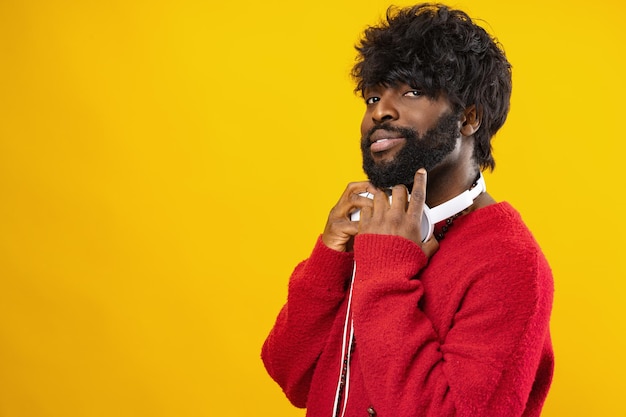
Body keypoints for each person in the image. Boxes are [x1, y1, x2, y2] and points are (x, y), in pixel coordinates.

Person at [261, 3, 554, 417]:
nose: (379, 111)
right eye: (374, 96)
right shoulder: (377, 227)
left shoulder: (509, 261)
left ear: (469, 117)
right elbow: (293, 376)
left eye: (412, 91)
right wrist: (329, 257)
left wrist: (385, 272)